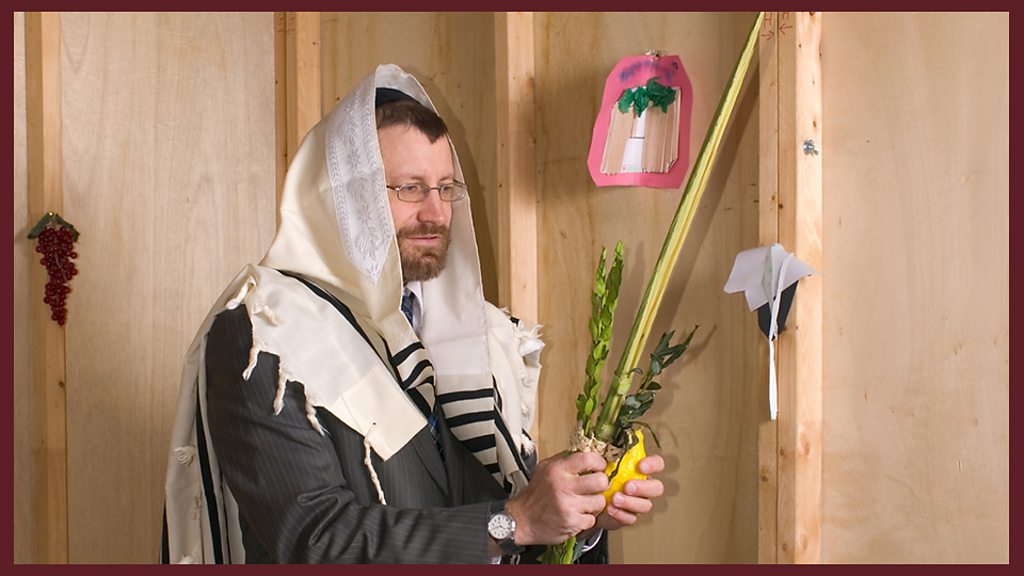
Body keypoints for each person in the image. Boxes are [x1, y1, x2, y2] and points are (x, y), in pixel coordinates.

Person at [162, 64, 664, 564]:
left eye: (446, 188)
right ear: (343, 199)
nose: (437, 213)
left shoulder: (482, 338)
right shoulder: (267, 331)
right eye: (409, 188)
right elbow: (313, 540)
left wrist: (579, 514)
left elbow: (505, 516)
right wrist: (516, 522)